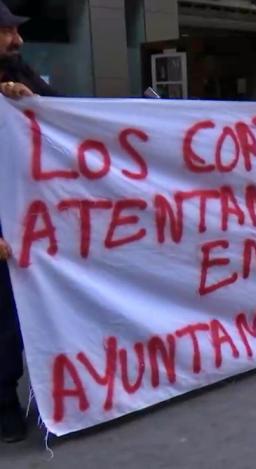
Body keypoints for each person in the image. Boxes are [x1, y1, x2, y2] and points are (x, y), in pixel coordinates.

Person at [0, 0, 57, 443]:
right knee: (2, 330)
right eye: (5, 31)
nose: (16, 39)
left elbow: (64, 120)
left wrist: (33, 103)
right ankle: (4, 409)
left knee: (35, 319)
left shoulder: (20, 72)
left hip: (33, 226)